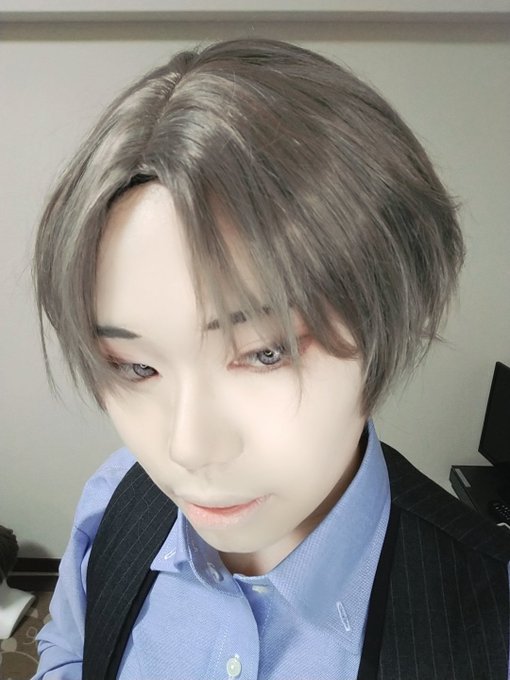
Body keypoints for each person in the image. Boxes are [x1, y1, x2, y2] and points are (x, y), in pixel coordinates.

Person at [31, 38, 510, 680]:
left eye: (264, 353)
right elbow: (68, 653)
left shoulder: (492, 622)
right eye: (135, 366)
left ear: (387, 320)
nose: (188, 448)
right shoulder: (112, 498)